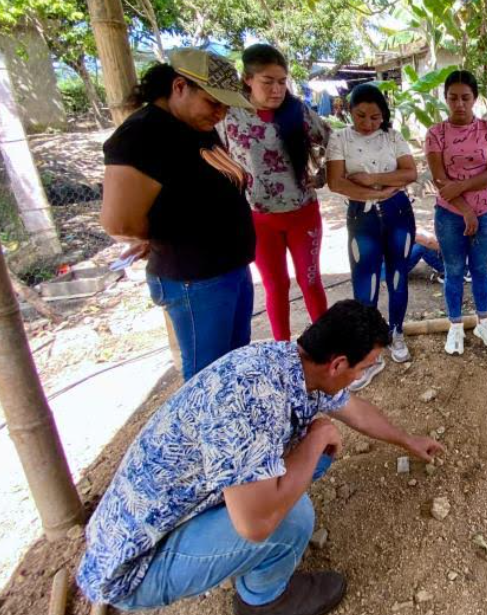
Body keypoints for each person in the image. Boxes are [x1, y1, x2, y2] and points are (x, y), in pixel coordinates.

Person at [76, 300, 443, 614]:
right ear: (338, 364)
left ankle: (242, 548)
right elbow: (256, 526)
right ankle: (265, 601)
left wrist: (407, 441)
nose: (361, 377)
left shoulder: (288, 364)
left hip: (159, 519)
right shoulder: (250, 402)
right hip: (135, 567)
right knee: (292, 518)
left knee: (305, 458)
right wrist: (315, 439)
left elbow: (355, 410)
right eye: (363, 368)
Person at [100, 49, 256, 381]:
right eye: (214, 103)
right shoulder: (143, 134)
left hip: (227, 269)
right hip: (195, 276)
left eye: (225, 106)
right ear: (180, 86)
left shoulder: (193, 124)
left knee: (232, 367)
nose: (220, 113)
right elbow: (119, 221)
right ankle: (203, 434)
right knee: (207, 379)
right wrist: (158, 234)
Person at [222, 44, 331, 342]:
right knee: (276, 287)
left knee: (310, 283)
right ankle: (281, 351)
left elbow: (333, 143)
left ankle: (326, 347)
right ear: (247, 79)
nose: (276, 89)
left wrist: (321, 176)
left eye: (282, 81)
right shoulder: (229, 116)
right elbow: (214, 157)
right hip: (258, 219)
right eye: (267, 81)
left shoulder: (299, 112)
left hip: (303, 215)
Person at [327, 83, 417, 378]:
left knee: (397, 276)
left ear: (384, 115)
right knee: (364, 284)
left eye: (375, 117)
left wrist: (369, 178)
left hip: (399, 214)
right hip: (362, 217)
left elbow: (410, 173)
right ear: (349, 111)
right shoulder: (339, 138)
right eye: (360, 115)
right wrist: (378, 192)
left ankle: (396, 333)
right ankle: (367, 351)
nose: (367, 124)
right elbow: (337, 182)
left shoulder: (393, 136)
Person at [425, 70, 487, 355]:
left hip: (486, 213)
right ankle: (455, 326)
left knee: (481, 269)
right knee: (454, 270)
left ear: (475, 98)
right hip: (449, 215)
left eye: (465, 98)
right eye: (453, 98)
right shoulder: (436, 133)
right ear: (445, 98)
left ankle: (484, 322)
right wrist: (464, 210)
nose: (459, 104)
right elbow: (439, 179)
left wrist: (467, 196)